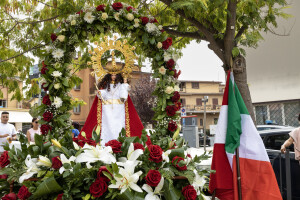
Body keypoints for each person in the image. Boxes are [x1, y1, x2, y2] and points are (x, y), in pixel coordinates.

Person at [79, 73, 143, 145]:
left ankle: (119, 142)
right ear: (109, 76)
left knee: (119, 125)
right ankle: (106, 143)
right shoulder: (106, 85)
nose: (113, 77)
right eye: (112, 75)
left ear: (118, 76)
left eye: (115, 75)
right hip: (107, 108)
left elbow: (124, 94)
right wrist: (100, 93)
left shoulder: (121, 85)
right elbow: (104, 93)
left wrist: (125, 85)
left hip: (119, 108)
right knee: (106, 126)